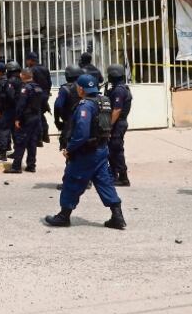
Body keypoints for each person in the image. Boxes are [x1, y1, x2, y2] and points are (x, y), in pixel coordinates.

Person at [45, 74, 126, 230]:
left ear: (81, 89)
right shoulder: (105, 101)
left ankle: (64, 216)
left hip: (85, 153)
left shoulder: (85, 106)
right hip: (101, 149)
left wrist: (69, 148)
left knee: (71, 181)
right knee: (104, 181)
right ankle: (117, 216)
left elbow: (81, 133)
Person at [5, 69, 44, 174]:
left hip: (26, 119)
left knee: (20, 142)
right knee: (32, 142)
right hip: (36, 118)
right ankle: (31, 165)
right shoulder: (38, 88)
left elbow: (21, 105)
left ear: (23, 76)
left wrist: (17, 118)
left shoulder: (25, 88)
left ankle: (16, 167)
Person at [105, 64, 133, 187]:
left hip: (118, 123)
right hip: (118, 123)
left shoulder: (119, 90)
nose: (108, 77)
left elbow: (116, 110)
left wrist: (109, 125)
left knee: (116, 150)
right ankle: (114, 175)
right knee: (112, 149)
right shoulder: (119, 88)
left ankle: (123, 178)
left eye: (110, 75)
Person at [53, 66, 84, 151]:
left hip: (70, 123)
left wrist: (57, 121)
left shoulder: (65, 89)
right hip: (85, 121)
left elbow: (58, 105)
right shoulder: (85, 88)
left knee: (69, 150)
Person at [26, 52, 53, 145]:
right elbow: (49, 82)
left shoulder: (31, 70)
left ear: (30, 60)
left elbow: (29, 83)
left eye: (27, 60)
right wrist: (46, 93)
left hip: (36, 96)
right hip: (44, 95)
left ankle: (39, 139)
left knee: (36, 116)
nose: (26, 62)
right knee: (41, 115)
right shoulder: (45, 68)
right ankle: (45, 135)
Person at [0, 62, 15, 160]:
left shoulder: (1, 81)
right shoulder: (7, 79)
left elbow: (1, 96)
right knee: (7, 129)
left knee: (2, 130)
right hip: (9, 108)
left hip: (3, 108)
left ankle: (2, 153)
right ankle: (7, 146)